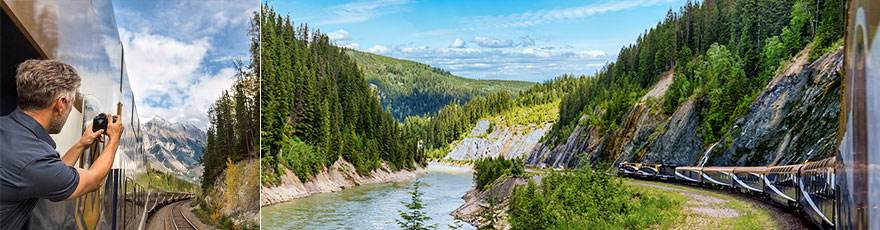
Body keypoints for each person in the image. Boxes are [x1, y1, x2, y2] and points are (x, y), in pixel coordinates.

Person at [0, 60, 124, 229]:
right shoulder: (34, 159)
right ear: (60, 104)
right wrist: (114, 139)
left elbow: (53, 173)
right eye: (71, 104)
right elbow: (94, 181)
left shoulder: (9, 130)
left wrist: (82, 143)